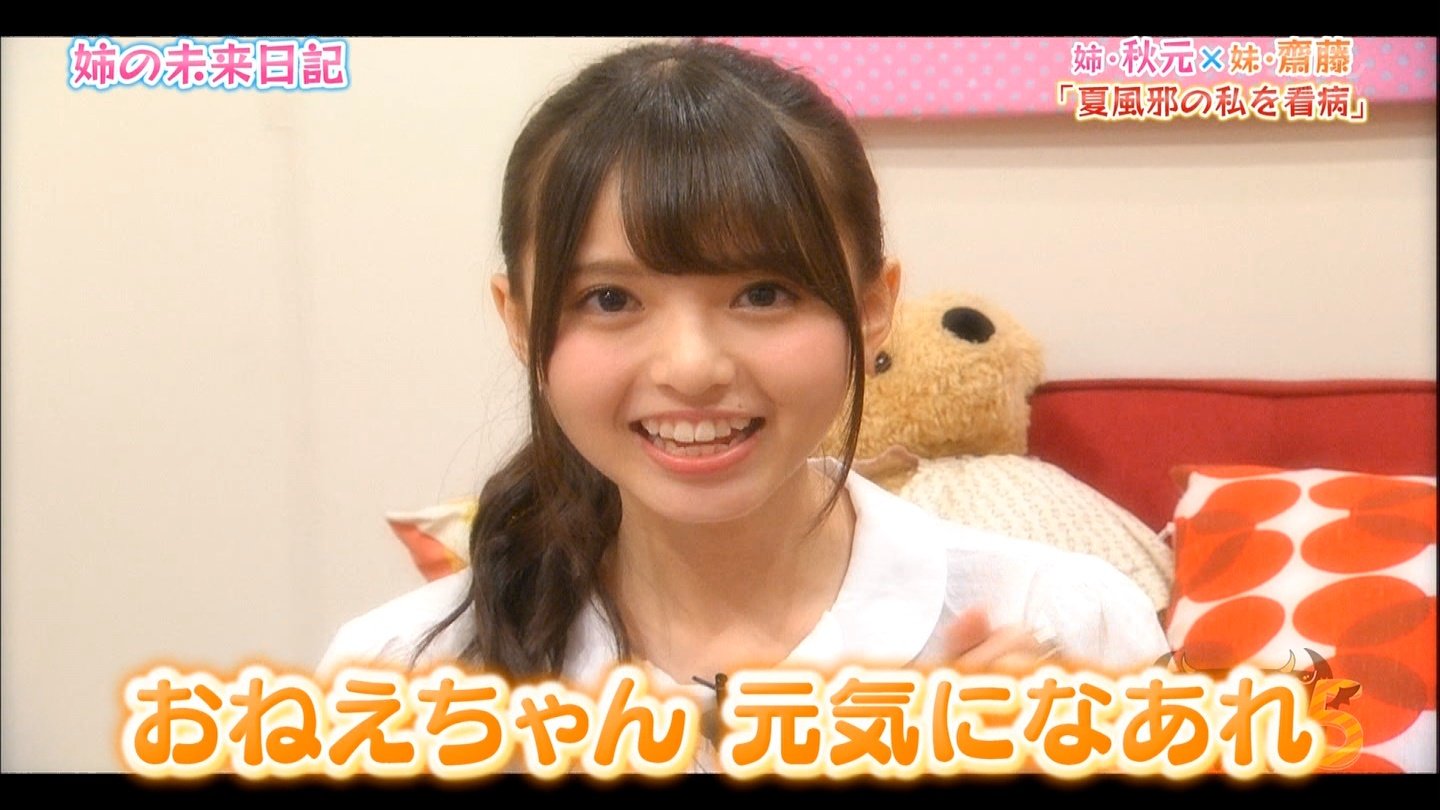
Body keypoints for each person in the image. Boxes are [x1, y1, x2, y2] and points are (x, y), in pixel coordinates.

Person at [320, 39, 1167, 704]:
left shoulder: (1065, 627)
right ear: (517, 319)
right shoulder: (401, 674)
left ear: (872, 307)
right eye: (611, 299)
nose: (691, 368)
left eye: (763, 294)